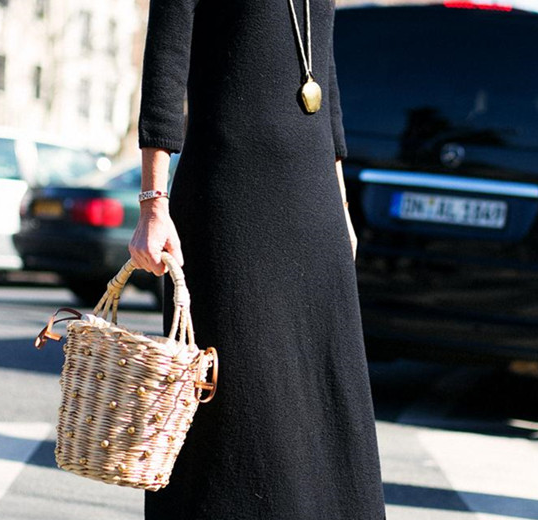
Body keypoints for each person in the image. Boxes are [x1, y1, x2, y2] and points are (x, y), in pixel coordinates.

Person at [128, 0, 386, 518]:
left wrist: (339, 203)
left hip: (313, 198)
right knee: (237, 402)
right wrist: (154, 203)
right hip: (229, 196)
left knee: (325, 393)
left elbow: (324, 70)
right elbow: (166, 62)